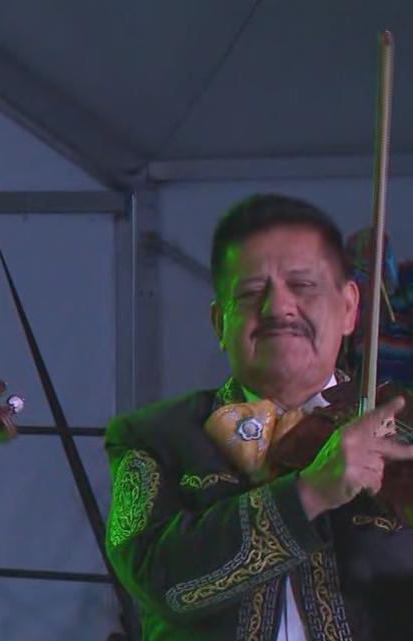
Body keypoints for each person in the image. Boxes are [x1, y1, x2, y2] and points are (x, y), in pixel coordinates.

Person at [104, 193, 413, 640]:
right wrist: (308, 494)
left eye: (303, 285)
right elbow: (163, 585)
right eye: (250, 292)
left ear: (349, 308)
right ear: (219, 323)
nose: (278, 308)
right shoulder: (154, 435)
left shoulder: (399, 423)